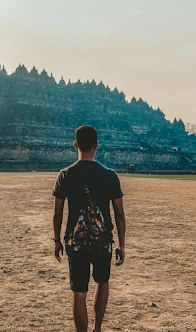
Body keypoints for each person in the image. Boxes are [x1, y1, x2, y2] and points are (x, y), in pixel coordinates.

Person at [52, 125, 126, 332]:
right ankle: (98, 329)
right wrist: (121, 244)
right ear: (96, 146)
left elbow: (57, 213)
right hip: (103, 240)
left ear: (75, 145)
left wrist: (57, 240)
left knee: (79, 291)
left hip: (75, 241)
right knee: (102, 283)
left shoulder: (65, 175)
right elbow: (119, 214)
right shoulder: (109, 175)